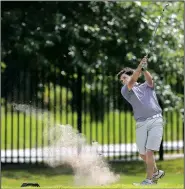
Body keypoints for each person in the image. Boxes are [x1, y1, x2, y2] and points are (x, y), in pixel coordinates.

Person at [117, 56, 165, 185]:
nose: (123, 81)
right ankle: (155, 172)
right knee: (142, 154)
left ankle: (149, 180)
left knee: (149, 152)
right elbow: (133, 80)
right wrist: (139, 67)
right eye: (121, 80)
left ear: (131, 75)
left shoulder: (146, 86)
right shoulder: (125, 90)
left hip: (156, 120)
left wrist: (143, 69)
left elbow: (150, 80)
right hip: (141, 123)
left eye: (124, 78)